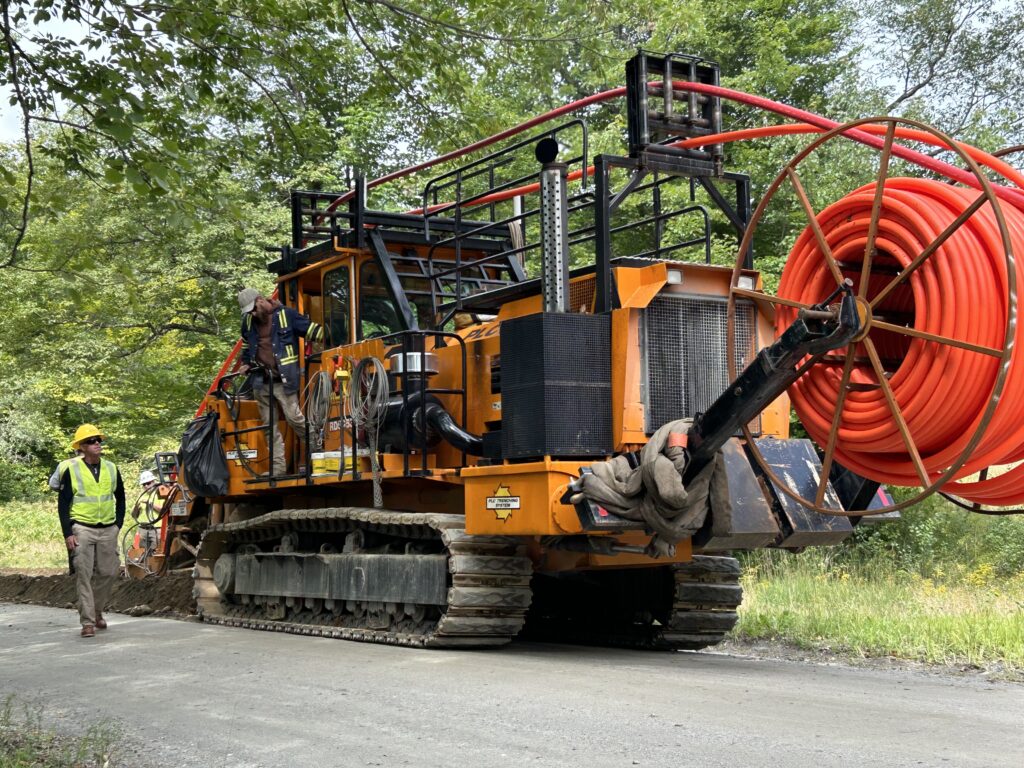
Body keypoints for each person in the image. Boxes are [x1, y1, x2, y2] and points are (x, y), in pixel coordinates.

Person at [236, 288, 324, 475]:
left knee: (294, 418)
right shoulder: (248, 322)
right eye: (248, 311)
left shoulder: (286, 315)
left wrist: (336, 336)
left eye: (253, 309)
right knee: (269, 427)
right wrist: (245, 364)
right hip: (261, 381)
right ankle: (278, 469)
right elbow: (246, 345)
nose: (251, 313)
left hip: (283, 380)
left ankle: (317, 451)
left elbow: (312, 331)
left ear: (260, 300)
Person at [57, 424, 126, 638]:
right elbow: (63, 503)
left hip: (108, 529)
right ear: (81, 447)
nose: (96, 443)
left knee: (109, 572)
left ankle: (96, 612)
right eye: (91, 441)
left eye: (98, 440)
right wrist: (68, 533)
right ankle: (87, 622)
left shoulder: (112, 468)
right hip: (82, 529)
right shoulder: (72, 470)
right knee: (84, 575)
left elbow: (121, 497)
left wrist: (118, 524)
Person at [49, 448, 83, 575]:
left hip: (72, 513)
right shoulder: (99, 464)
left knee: (74, 546)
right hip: (100, 517)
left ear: (76, 450)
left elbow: (53, 484)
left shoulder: (64, 464)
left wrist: (66, 489)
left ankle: (73, 575)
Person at [131, 470, 165, 557]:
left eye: (148, 483)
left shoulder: (161, 493)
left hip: (156, 529)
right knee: (142, 553)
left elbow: (164, 510)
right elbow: (134, 515)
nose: (146, 486)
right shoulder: (142, 495)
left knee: (157, 553)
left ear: (153, 481)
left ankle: (155, 569)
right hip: (143, 529)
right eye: (144, 484)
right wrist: (136, 508)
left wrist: (150, 503)